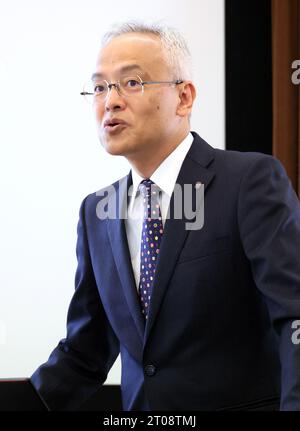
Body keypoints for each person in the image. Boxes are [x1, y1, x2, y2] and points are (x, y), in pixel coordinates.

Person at [30, 21, 300, 411]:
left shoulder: (249, 182)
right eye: (100, 87)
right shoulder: (97, 211)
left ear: (184, 98)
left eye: (132, 83)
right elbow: (85, 351)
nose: (111, 101)